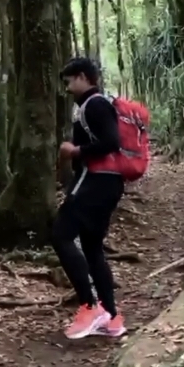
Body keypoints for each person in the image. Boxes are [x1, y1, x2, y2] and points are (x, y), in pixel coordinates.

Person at [51, 57, 127, 340]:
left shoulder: (95, 104)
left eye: (70, 81)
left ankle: (90, 306)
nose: (68, 87)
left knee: (60, 234)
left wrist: (75, 151)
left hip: (96, 182)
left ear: (83, 77)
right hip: (104, 183)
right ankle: (111, 317)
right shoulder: (92, 104)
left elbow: (111, 142)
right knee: (93, 247)